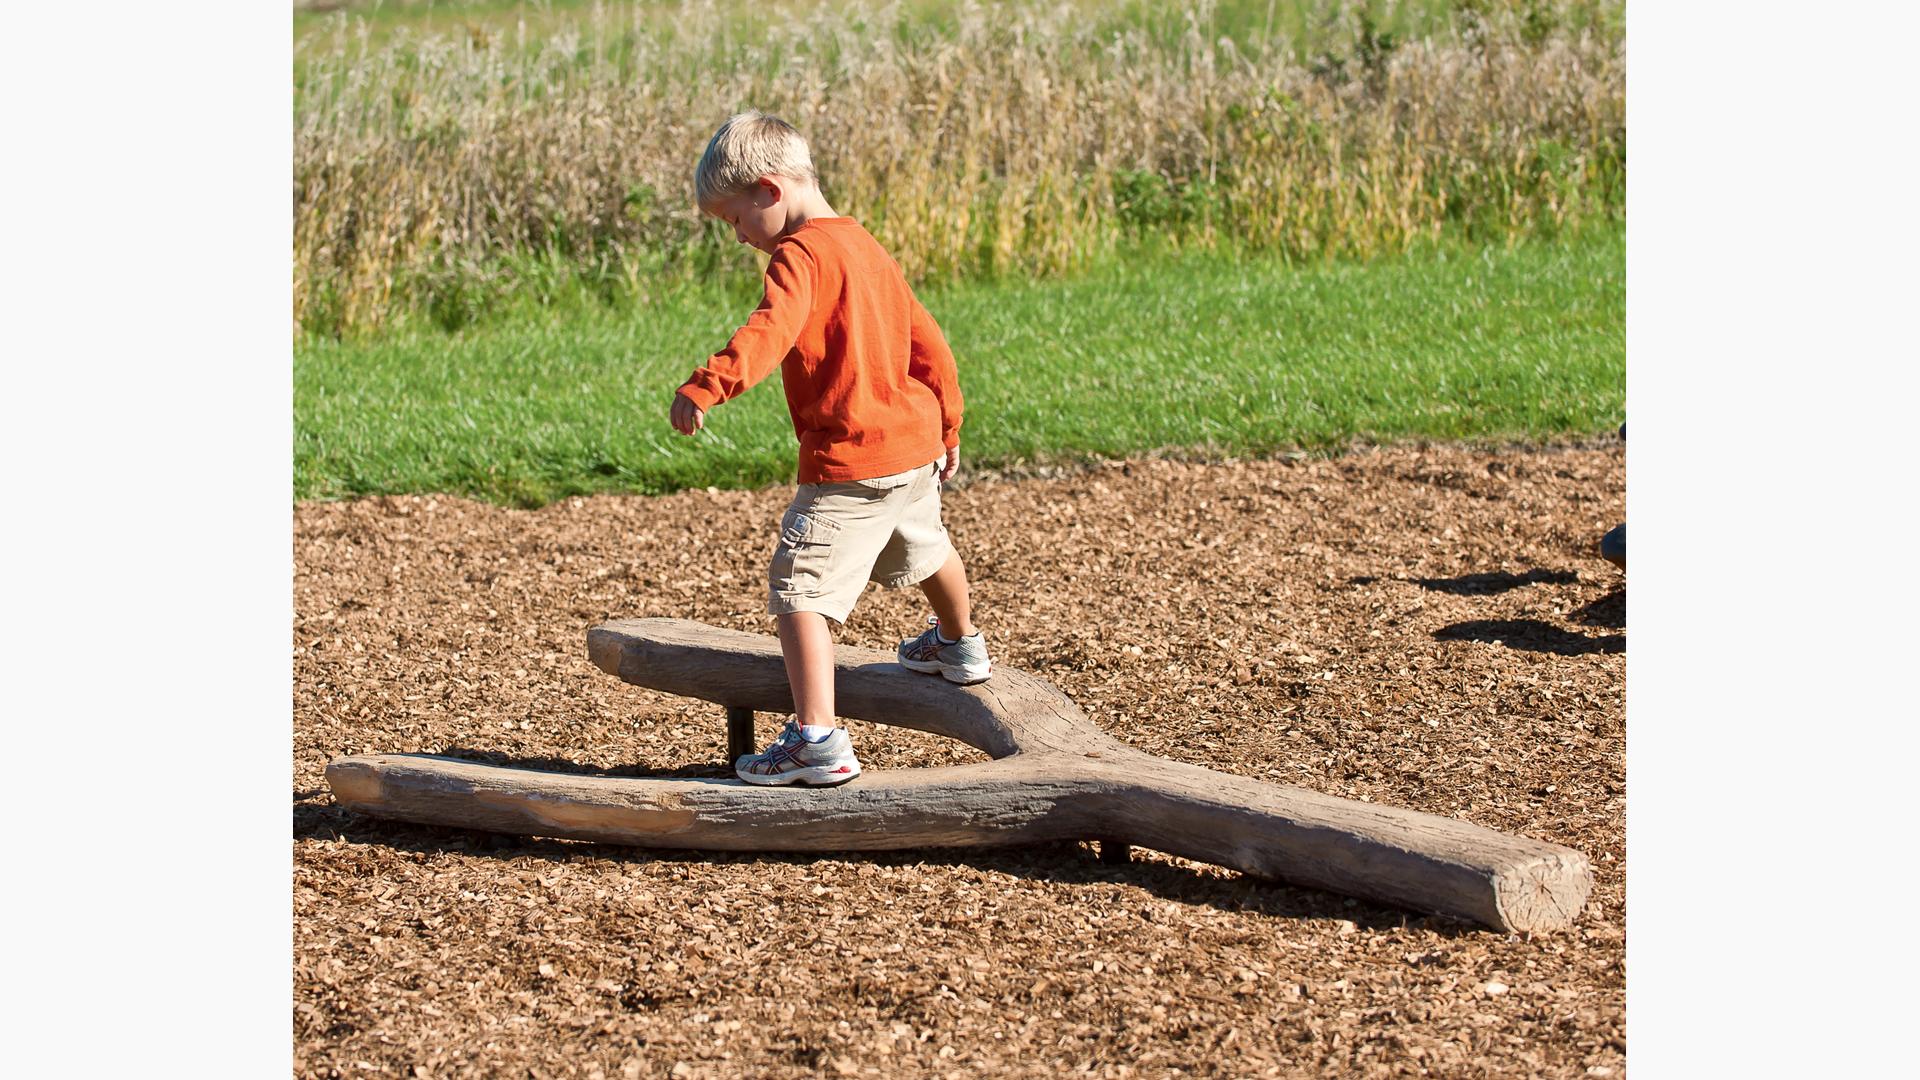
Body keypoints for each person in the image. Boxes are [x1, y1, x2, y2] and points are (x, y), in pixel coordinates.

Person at [668, 110, 992, 787]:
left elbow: (769, 330)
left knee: (800, 591)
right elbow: (926, 340)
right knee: (926, 544)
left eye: (734, 220)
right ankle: (960, 646)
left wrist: (706, 387)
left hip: (851, 459)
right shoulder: (866, 244)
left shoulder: (800, 255)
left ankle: (816, 738)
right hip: (911, 446)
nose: (738, 236)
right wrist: (949, 424)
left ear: (768, 190)